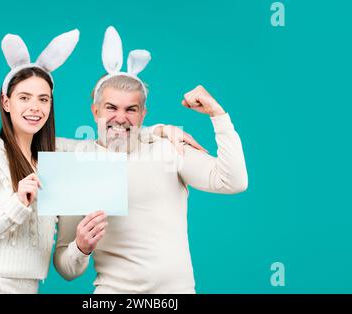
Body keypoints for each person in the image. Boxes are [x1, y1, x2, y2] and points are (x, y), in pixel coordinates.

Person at [53, 26, 248, 294]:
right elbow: (66, 269)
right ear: (95, 110)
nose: (120, 117)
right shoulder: (78, 163)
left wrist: (217, 114)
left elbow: (233, 181)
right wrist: (80, 247)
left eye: (130, 110)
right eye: (111, 108)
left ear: (143, 114)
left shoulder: (167, 149)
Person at [0, 30, 80, 293]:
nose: (35, 107)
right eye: (24, 97)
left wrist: (158, 132)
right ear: (6, 103)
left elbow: (106, 144)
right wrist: (17, 204)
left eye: (43, 99)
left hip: (28, 285)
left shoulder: (49, 162)